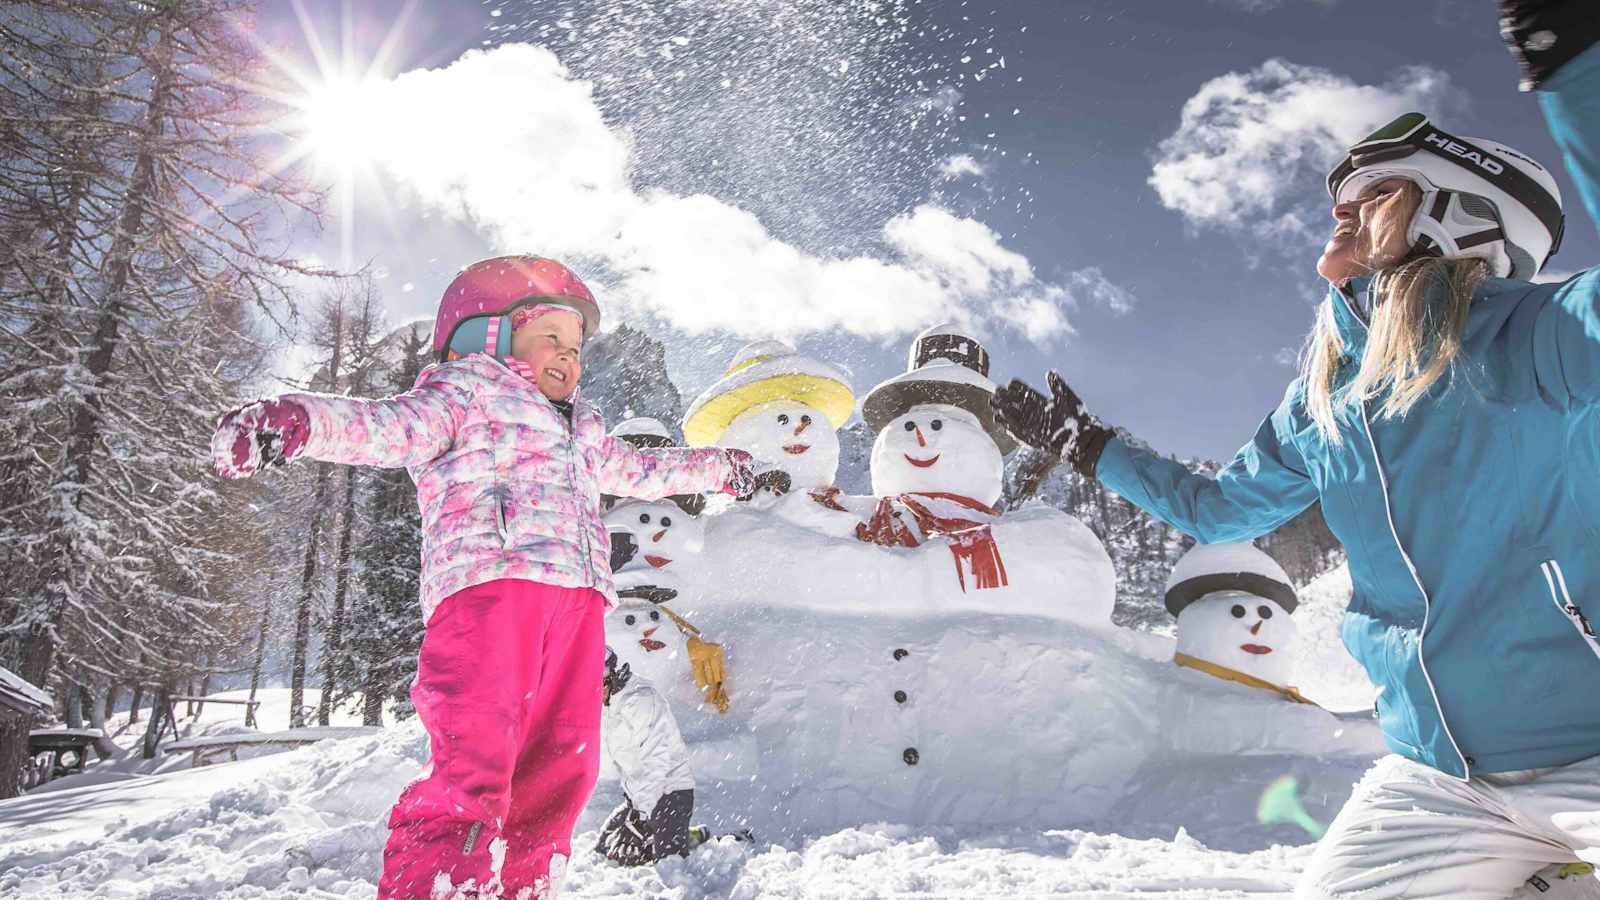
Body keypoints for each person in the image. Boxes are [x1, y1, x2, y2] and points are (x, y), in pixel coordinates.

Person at [992, 5, 1600, 898]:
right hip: (1438, 780)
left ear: (1462, 216)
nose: (1340, 218)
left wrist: (1574, 61)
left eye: (1374, 198)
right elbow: (1219, 510)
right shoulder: (1325, 399)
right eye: (1339, 205)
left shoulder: (1540, 334)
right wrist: (1090, 447)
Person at [210, 256, 756, 899]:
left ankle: (524, 888)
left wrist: (720, 468)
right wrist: (300, 422)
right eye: (550, 337)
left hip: (577, 607)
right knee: (476, 765)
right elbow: (387, 427)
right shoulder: (464, 392)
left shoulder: (584, 430)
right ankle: (436, 887)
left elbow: (642, 471)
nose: (567, 356)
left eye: (576, 347)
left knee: (562, 773)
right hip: (490, 593)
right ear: (491, 335)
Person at [596, 646, 697, 866]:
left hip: (669, 793)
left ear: (609, 676)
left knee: (666, 861)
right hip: (639, 797)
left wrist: (642, 818)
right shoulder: (609, 702)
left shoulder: (640, 700)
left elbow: (655, 762)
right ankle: (679, 834)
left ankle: (698, 839)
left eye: (594, 688)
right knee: (604, 849)